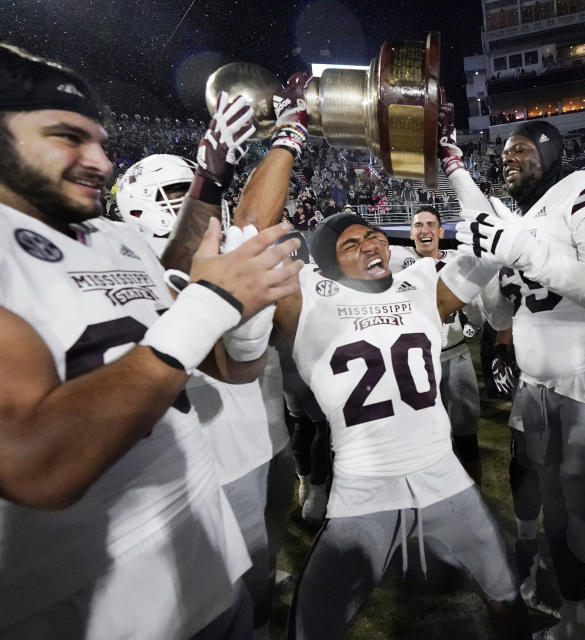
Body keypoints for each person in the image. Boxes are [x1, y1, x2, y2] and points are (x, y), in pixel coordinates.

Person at [0, 43, 303, 638]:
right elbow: (38, 462)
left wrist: (210, 183)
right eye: (67, 136)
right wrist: (210, 305)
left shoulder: (114, 237)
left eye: (100, 142)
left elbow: (224, 366)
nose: (101, 162)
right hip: (94, 605)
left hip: (204, 562)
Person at [216, 73, 531, 640]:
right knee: (312, 627)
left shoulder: (421, 287)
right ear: (330, 265)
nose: (373, 246)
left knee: (507, 598)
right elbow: (249, 234)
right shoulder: (306, 298)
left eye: (374, 237)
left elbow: (496, 236)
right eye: (352, 245)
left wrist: (454, 161)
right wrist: (292, 130)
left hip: (443, 477)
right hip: (363, 488)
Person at [446, 102, 585, 638]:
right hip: (536, 387)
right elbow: (502, 313)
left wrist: (519, 251)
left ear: (551, 152)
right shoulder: (519, 219)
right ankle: (577, 624)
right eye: (505, 150)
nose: (508, 156)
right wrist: (491, 273)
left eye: (521, 148)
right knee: (555, 523)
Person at [388, 204, 485, 485]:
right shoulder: (395, 259)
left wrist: (474, 321)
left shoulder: (457, 260)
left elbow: (478, 303)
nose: (425, 230)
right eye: (418, 225)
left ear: (441, 231)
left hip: (455, 354)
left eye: (431, 224)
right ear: (411, 232)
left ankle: (474, 496)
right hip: (415, 362)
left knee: (466, 433)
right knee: (422, 439)